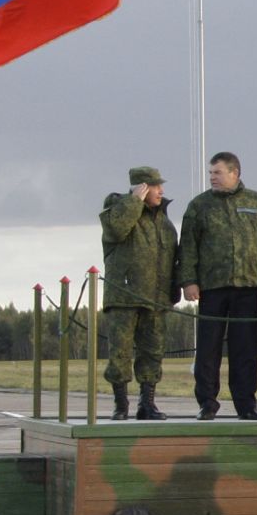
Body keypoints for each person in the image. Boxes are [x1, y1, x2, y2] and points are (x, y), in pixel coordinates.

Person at [177, 151, 257, 420]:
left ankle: (247, 404)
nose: (213, 178)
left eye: (217, 173)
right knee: (208, 349)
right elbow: (187, 246)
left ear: (235, 173)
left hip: (248, 287)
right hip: (211, 287)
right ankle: (207, 403)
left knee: (246, 349)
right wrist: (189, 281)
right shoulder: (199, 205)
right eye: (211, 173)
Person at [99, 166, 178, 421]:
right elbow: (116, 230)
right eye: (155, 186)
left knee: (152, 353)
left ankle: (147, 404)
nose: (161, 191)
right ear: (141, 188)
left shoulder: (164, 223)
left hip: (155, 299)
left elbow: (171, 259)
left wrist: (172, 291)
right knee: (120, 353)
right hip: (123, 297)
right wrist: (133, 201)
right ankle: (120, 404)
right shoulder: (118, 209)